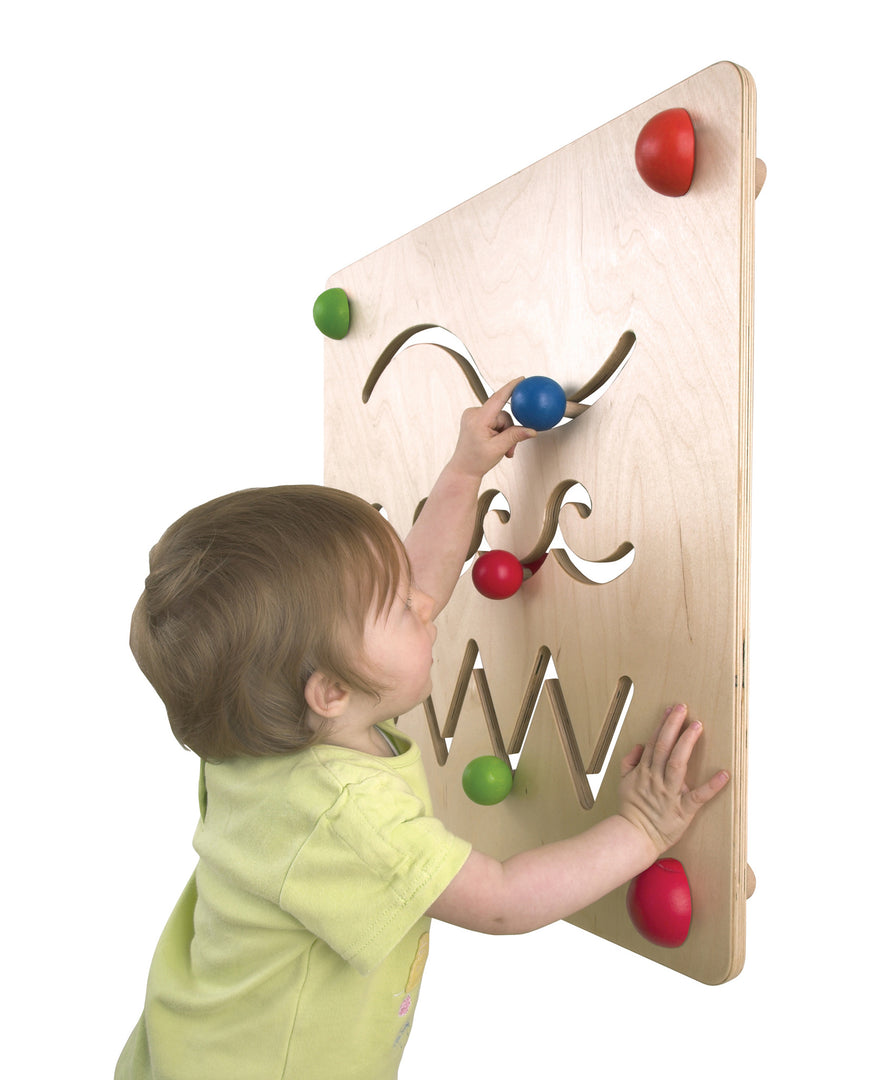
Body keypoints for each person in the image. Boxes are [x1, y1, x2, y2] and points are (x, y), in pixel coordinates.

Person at [115, 380, 729, 1079]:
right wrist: (641, 831)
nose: (424, 603)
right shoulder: (344, 816)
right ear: (332, 690)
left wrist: (464, 471)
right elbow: (499, 901)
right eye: (399, 608)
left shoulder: (266, 720)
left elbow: (422, 577)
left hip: (189, 1046)